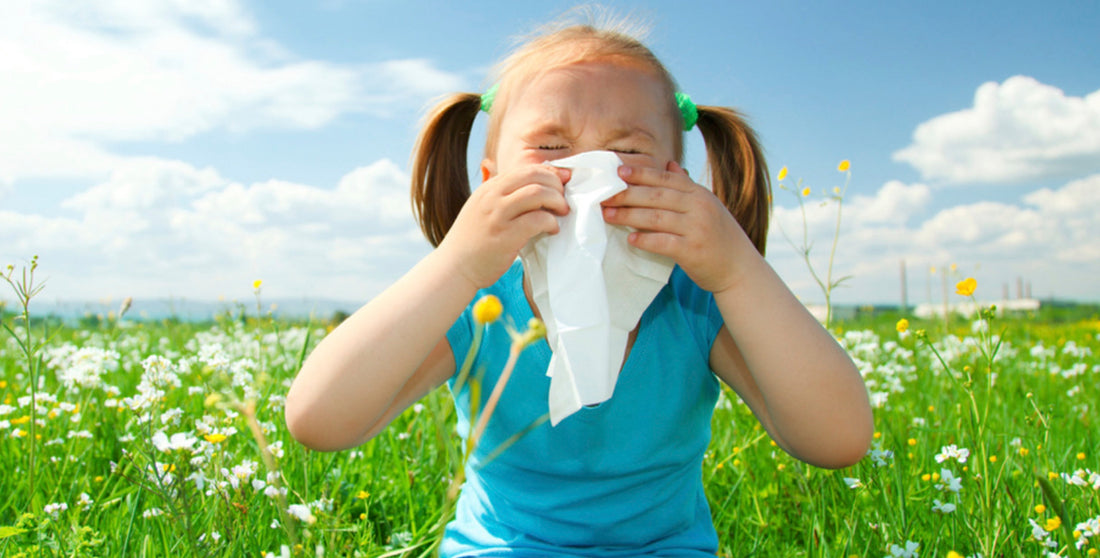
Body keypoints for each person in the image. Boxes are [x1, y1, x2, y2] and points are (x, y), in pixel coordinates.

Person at [286, 14, 873, 557]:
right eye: (551, 148)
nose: (590, 173)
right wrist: (459, 264)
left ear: (677, 183)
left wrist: (738, 270)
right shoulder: (478, 306)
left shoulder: (697, 301)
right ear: (490, 182)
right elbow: (319, 419)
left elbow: (837, 439)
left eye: (627, 151)